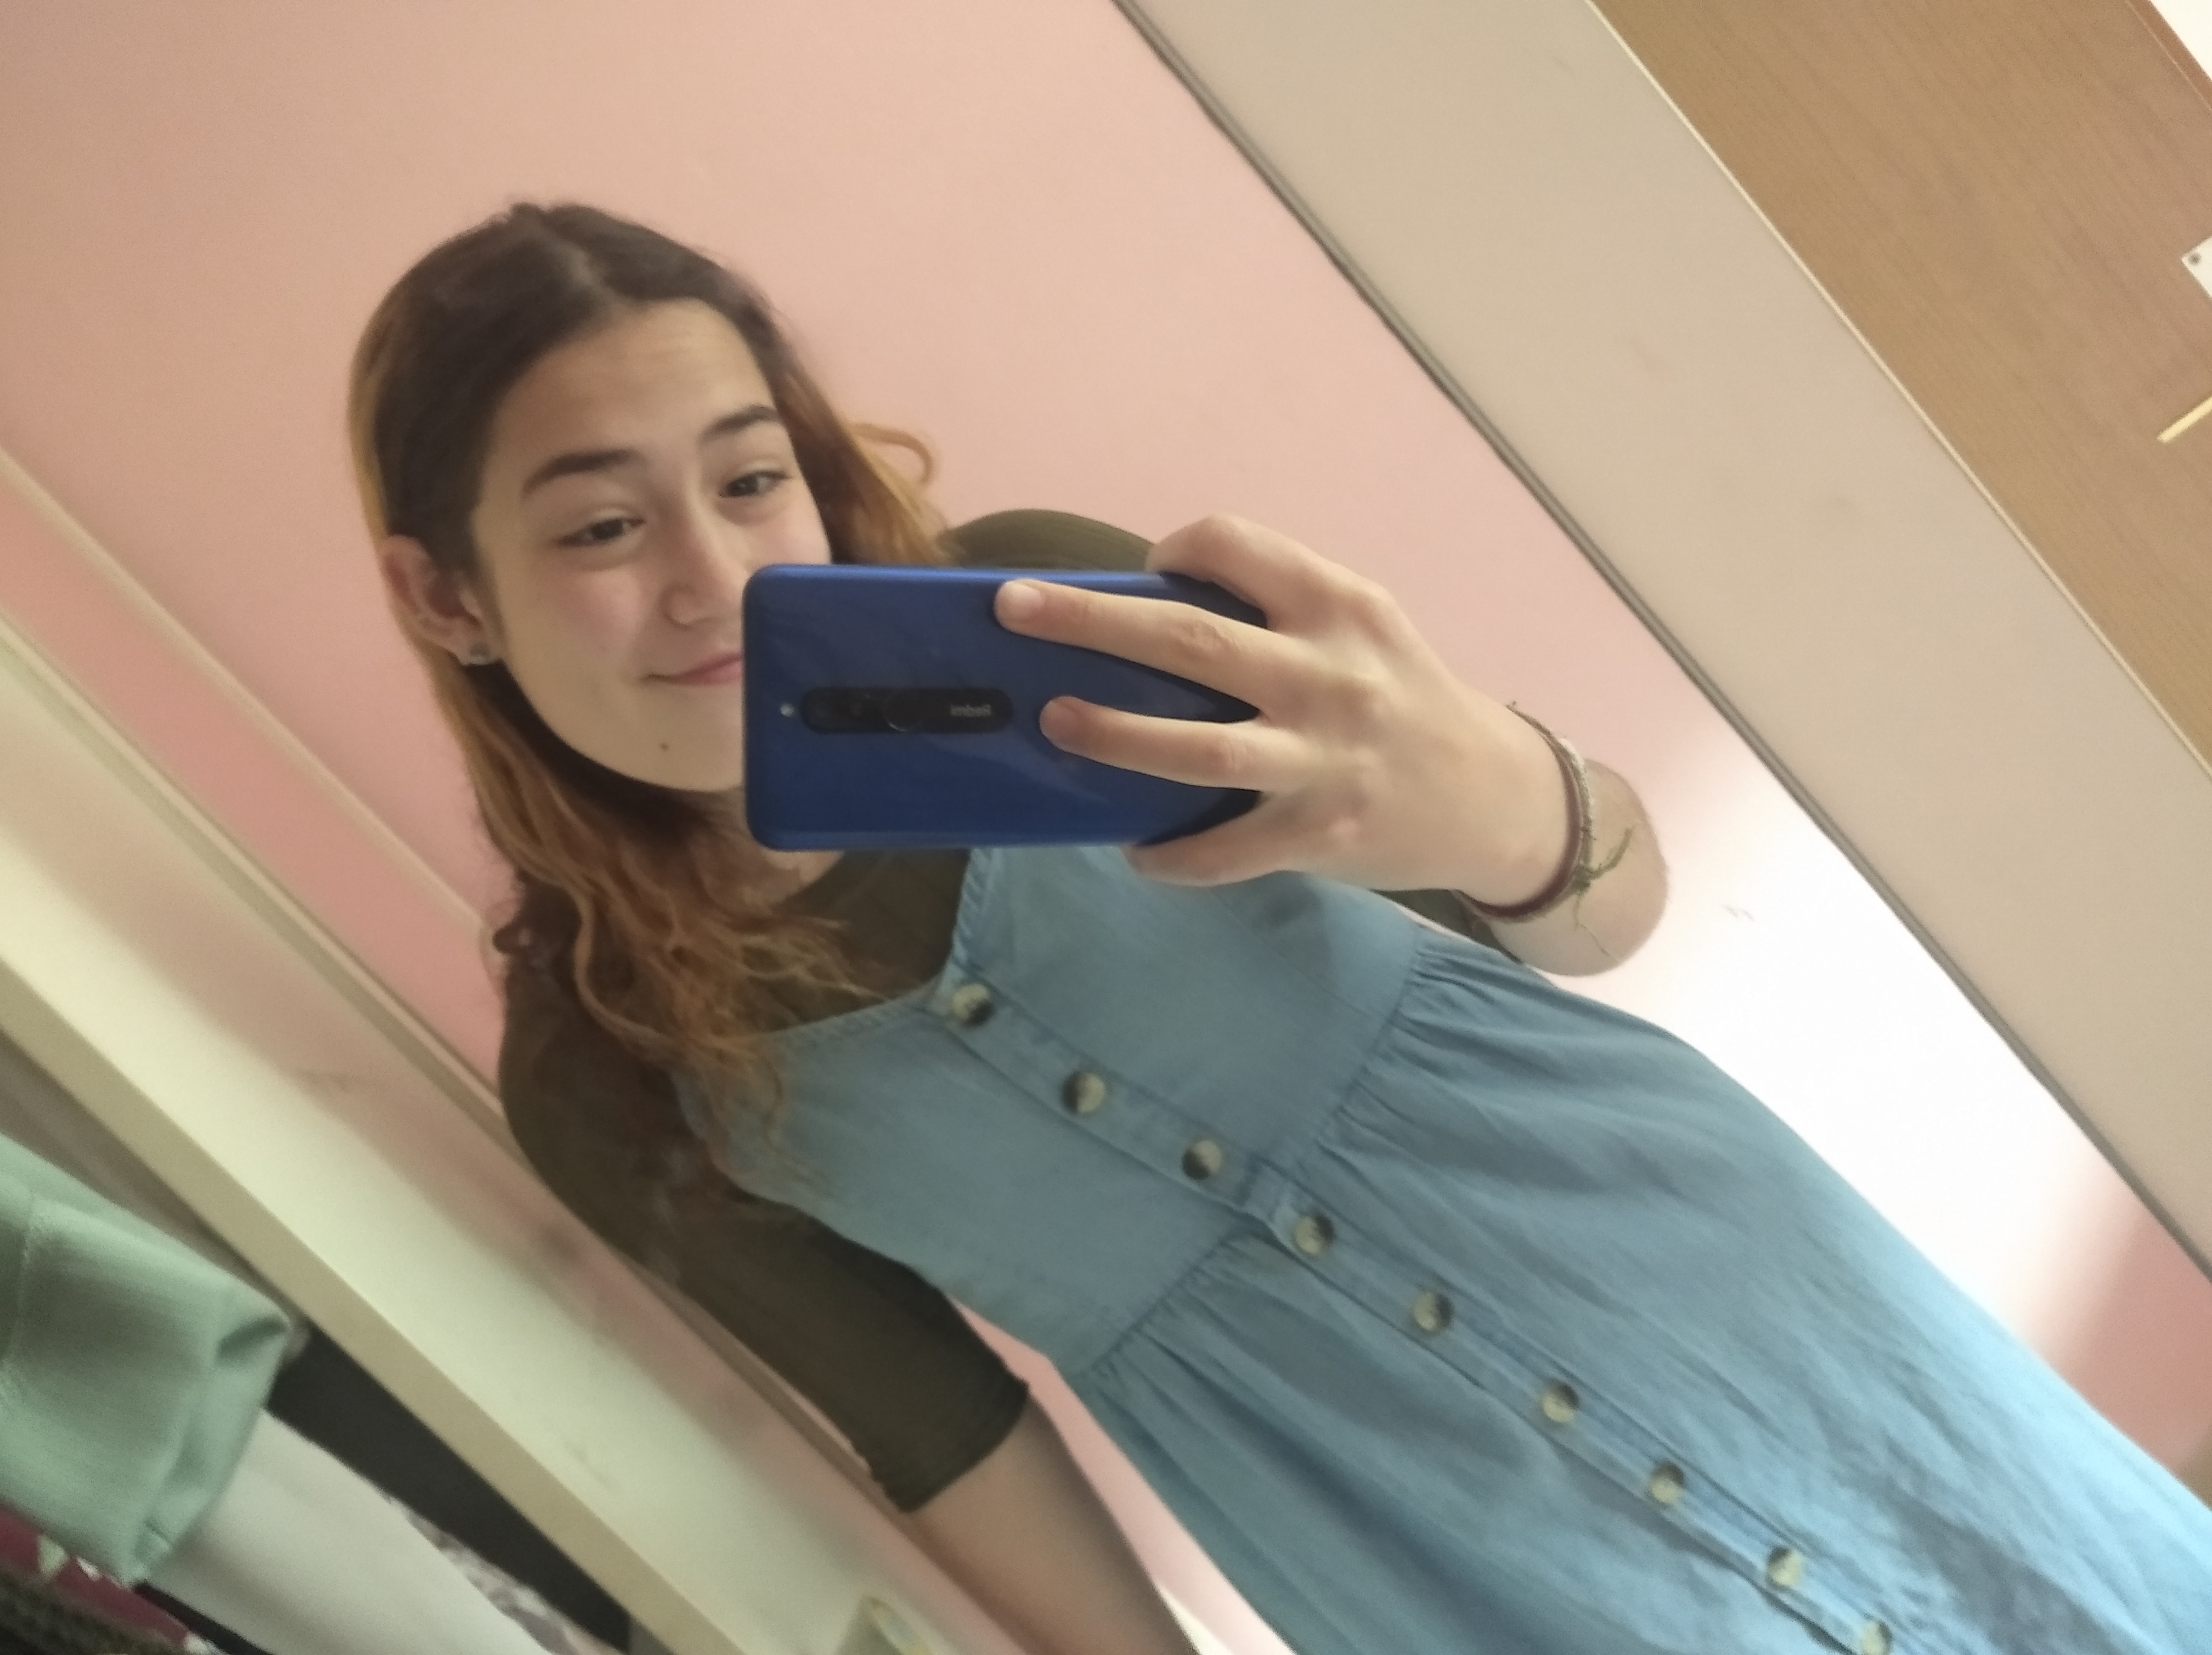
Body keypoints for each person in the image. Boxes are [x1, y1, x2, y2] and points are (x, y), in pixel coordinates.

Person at [359, 202, 2211, 1655]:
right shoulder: (606, 1063)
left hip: (1720, 1284)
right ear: (447, 597)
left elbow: (1600, 911)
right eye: (599, 528)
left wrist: (1488, 790)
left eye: (750, 476)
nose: (714, 577)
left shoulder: (1055, 616)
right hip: (1390, 1519)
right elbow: (946, 1438)